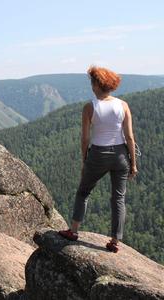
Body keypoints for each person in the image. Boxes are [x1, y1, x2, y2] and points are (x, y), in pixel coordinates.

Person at [59, 66, 138, 253]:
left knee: (83, 192)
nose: (91, 86)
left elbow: (85, 138)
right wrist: (133, 163)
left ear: (96, 84)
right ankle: (114, 241)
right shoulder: (123, 105)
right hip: (120, 155)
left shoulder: (90, 107)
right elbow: (130, 137)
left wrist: (84, 159)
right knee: (118, 198)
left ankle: (73, 231)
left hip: (98, 154)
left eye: (92, 82)